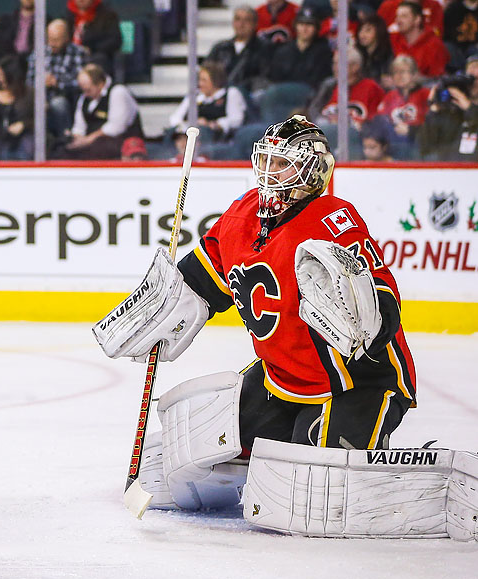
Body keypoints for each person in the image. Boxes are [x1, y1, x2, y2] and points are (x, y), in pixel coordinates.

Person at [91, 116, 478, 541]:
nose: (269, 173)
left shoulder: (333, 218)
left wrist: (360, 311)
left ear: (311, 171)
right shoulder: (241, 214)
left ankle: (407, 472)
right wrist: (160, 309)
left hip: (355, 383)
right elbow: (198, 284)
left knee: (311, 490)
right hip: (279, 379)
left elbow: (383, 305)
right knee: (193, 447)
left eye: (283, 164)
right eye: (267, 161)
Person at [61, 63, 142, 160]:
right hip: (92, 141)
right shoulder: (84, 97)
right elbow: (80, 126)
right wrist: (75, 137)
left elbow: (116, 127)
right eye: (83, 90)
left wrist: (88, 140)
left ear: (100, 84)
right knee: (62, 149)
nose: (85, 94)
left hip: (118, 140)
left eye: (88, 90)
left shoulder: (118, 92)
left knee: (98, 149)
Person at [27, 18, 88, 137]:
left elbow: (82, 83)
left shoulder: (78, 53)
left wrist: (58, 83)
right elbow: (28, 81)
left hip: (67, 97)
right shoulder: (38, 53)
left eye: (56, 40)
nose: (51, 43)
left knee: (58, 103)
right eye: (49, 39)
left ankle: (65, 140)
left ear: (66, 38)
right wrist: (41, 83)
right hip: (40, 96)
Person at [417, 55, 478, 160]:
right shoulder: (453, 109)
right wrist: (434, 111)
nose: (474, 72)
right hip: (449, 171)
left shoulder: (466, 107)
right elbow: (424, 146)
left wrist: (470, 108)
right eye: (471, 68)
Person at [309, 48, 385, 129]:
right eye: (334, 63)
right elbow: (314, 112)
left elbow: (377, 121)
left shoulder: (371, 88)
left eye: (340, 64)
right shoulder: (329, 86)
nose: (335, 68)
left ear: (355, 67)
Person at [168, 61, 247, 139]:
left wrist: (212, 124)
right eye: (199, 80)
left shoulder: (230, 93)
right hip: (189, 134)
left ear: (216, 80)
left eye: (204, 80)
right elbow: (175, 118)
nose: (200, 84)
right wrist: (191, 125)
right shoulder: (194, 95)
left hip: (216, 137)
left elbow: (236, 119)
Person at [0, 54, 33, 159]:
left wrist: (24, 124)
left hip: (23, 136)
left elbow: (39, 120)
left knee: (24, 151)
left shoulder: (29, 94)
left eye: (3, 75)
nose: (0, 79)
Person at [206, 6, 270, 91]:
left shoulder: (265, 49)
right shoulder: (220, 48)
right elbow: (206, 72)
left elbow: (263, 79)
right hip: (219, 96)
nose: (241, 24)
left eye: (247, 20)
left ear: (255, 24)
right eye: (237, 19)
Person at [267, 8, 333, 89]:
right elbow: (274, 80)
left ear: (317, 28)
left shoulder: (324, 52)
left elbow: (322, 81)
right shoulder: (283, 51)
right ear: (295, 26)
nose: (305, 29)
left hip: (312, 97)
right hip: (284, 96)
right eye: (301, 24)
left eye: (309, 24)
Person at [389, 1, 449, 77]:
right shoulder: (393, 40)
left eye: (404, 16)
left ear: (417, 19)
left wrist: (416, 79)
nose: (398, 21)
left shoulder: (434, 45)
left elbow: (438, 79)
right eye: (397, 16)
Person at [65, 0, 122, 75]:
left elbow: (115, 40)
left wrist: (92, 49)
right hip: (70, 57)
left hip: (94, 57)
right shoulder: (68, 16)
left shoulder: (107, 15)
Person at [356, 13, 394, 83]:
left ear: (378, 31)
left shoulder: (387, 55)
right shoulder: (357, 54)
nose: (362, 34)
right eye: (361, 30)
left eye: (368, 30)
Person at [444, 0, 478, 72]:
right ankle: (459, 75)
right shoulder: (454, 8)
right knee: (448, 47)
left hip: (474, 46)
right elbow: (446, 33)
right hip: (454, 46)